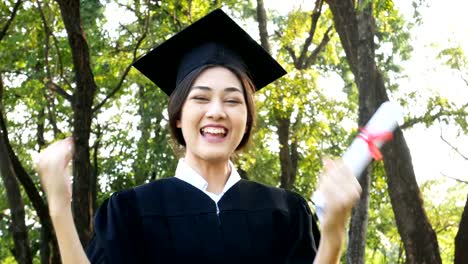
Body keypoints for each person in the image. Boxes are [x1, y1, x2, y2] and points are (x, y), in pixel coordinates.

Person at [36, 9, 361, 264]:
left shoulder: (286, 212)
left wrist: (333, 235)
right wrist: (59, 209)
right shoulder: (129, 211)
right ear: (178, 115)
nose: (217, 111)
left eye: (233, 100)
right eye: (201, 98)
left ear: (247, 119)